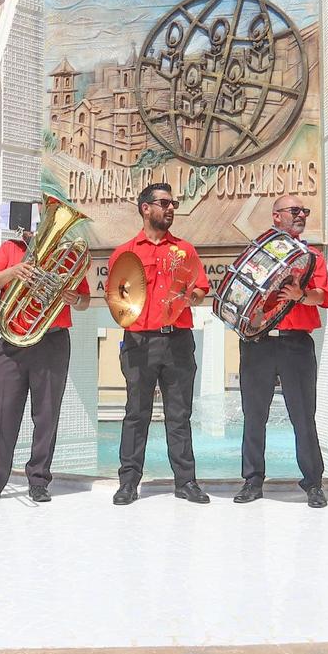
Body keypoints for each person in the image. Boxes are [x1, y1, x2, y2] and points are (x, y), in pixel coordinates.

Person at [0, 209, 91, 504]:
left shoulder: (67, 256)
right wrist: (14, 272)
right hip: (12, 342)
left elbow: (85, 301)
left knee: (47, 414)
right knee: (2, 412)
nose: (33, 232)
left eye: (41, 226)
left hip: (52, 342)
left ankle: (39, 480)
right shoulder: (10, 250)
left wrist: (74, 298)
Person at [109, 183, 214, 505]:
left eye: (174, 203)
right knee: (135, 415)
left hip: (178, 341)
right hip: (139, 342)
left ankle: (186, 482)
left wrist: (189, 297)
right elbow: (115, 297)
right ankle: (128, 483)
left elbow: (201, 288)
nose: (171, 209)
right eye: (164, 203)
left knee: (179, 415)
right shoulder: (125, 252)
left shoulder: (185, 250)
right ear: (145, 208)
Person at [234, 194, 328, 507]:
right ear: (276, 216)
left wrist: (302, 295)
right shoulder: (256, 253)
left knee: (304, 416)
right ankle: (252, 481)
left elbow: (324, 297)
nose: (301, 214)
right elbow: (240, 292)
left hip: (296, 343)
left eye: (304, 210)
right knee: (254, 415)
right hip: (258, 342)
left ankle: (313, 483)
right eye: (294, 211)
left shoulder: (312, 256)